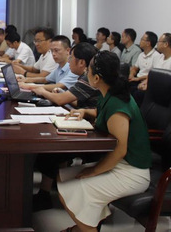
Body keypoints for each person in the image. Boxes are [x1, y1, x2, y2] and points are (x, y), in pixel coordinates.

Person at [56, 51, 151, 232]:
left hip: (131, 172)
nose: (86, 73)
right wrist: (85, 111)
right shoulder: (109, 94)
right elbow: (102, 113)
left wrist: (94, 171)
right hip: (120, 164)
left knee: (73, 189)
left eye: (89, 71)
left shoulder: (118, 105)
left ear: (97, 78)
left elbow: (120, 150)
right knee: (62, 177)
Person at [32, 42, 99, 211]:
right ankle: (53, 186)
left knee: (49, 151)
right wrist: (63, 95)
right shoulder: (85, 76)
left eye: (71, 58)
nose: (69, 62)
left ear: (82, 62)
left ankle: (44, 195)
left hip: (95, 131)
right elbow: (79, 101)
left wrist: (42, 91)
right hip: (86, 121)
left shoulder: (89, 78)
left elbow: (64, 101)